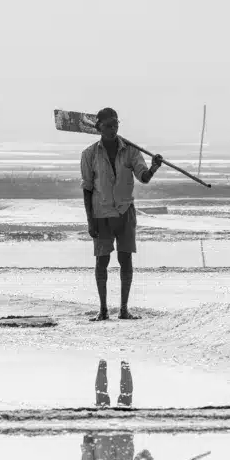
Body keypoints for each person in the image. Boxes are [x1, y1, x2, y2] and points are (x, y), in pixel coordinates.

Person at [80, 107, 163, 321]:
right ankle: (103, 310)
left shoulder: (131, 151)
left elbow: (143, 178)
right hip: (101, 214)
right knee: (102, 261)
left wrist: (153, 168)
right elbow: (87, 189)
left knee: (126, 260)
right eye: (108, 125)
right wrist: (90, 221)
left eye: (116, 124)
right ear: (98, 127)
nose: (113, 128)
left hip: (126, 212)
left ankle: (124, 309)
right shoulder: (89, 154)